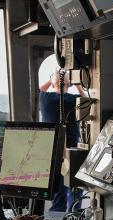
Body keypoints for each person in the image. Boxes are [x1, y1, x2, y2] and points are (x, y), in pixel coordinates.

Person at [39, 69, 86, 212]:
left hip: (52, 148)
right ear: (69, 84)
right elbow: (86, 99)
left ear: (53, 84)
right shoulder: (74, 99)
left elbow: (41, 88)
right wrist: (76, 84)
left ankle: (56, 215)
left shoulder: (45, 98)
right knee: (74, 185)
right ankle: (75, 214)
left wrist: (53, 77)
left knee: (58, 187)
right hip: (71, 147)